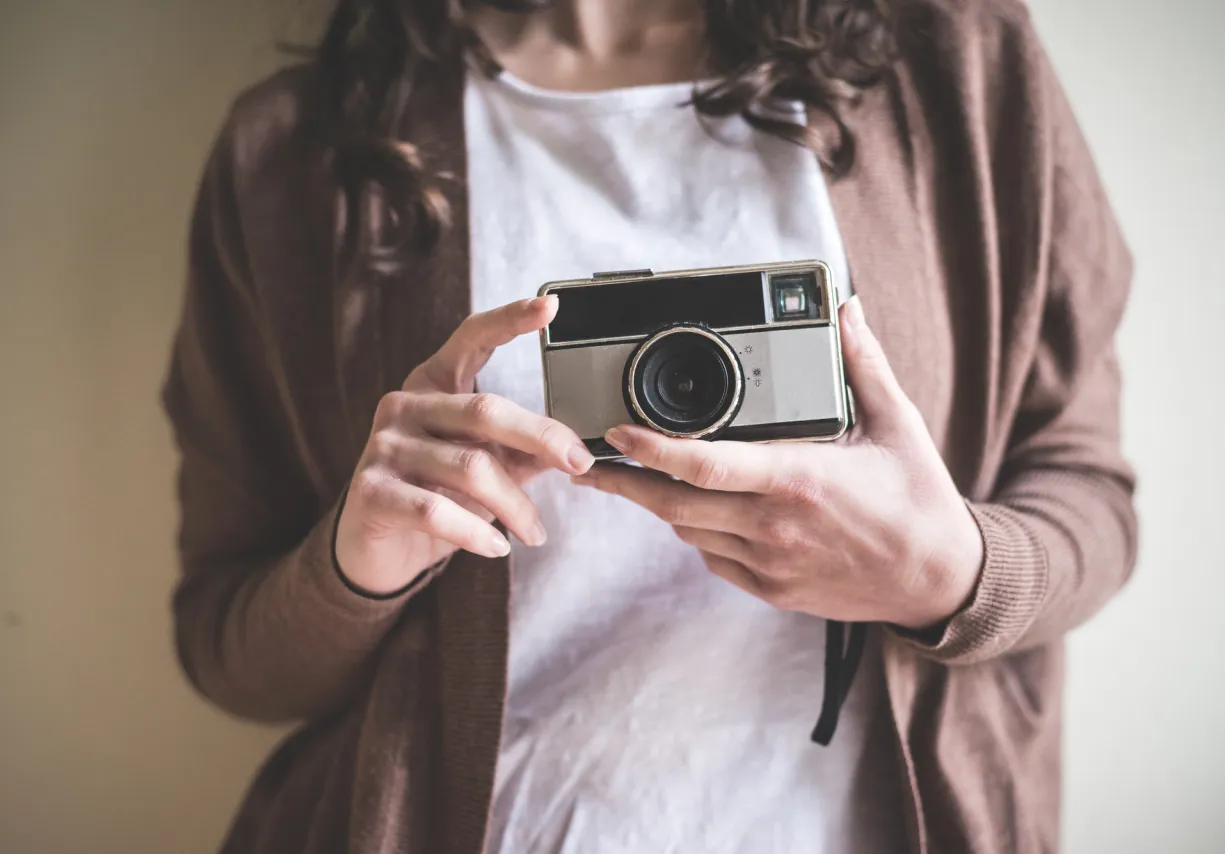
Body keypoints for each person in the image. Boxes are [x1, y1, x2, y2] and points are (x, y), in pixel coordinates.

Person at [162, 0, 1137, 850]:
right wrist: (353, 561)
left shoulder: (954, 59)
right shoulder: (294, 154)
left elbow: (1088, 491)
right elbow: (225, 645)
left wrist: (948, 570)